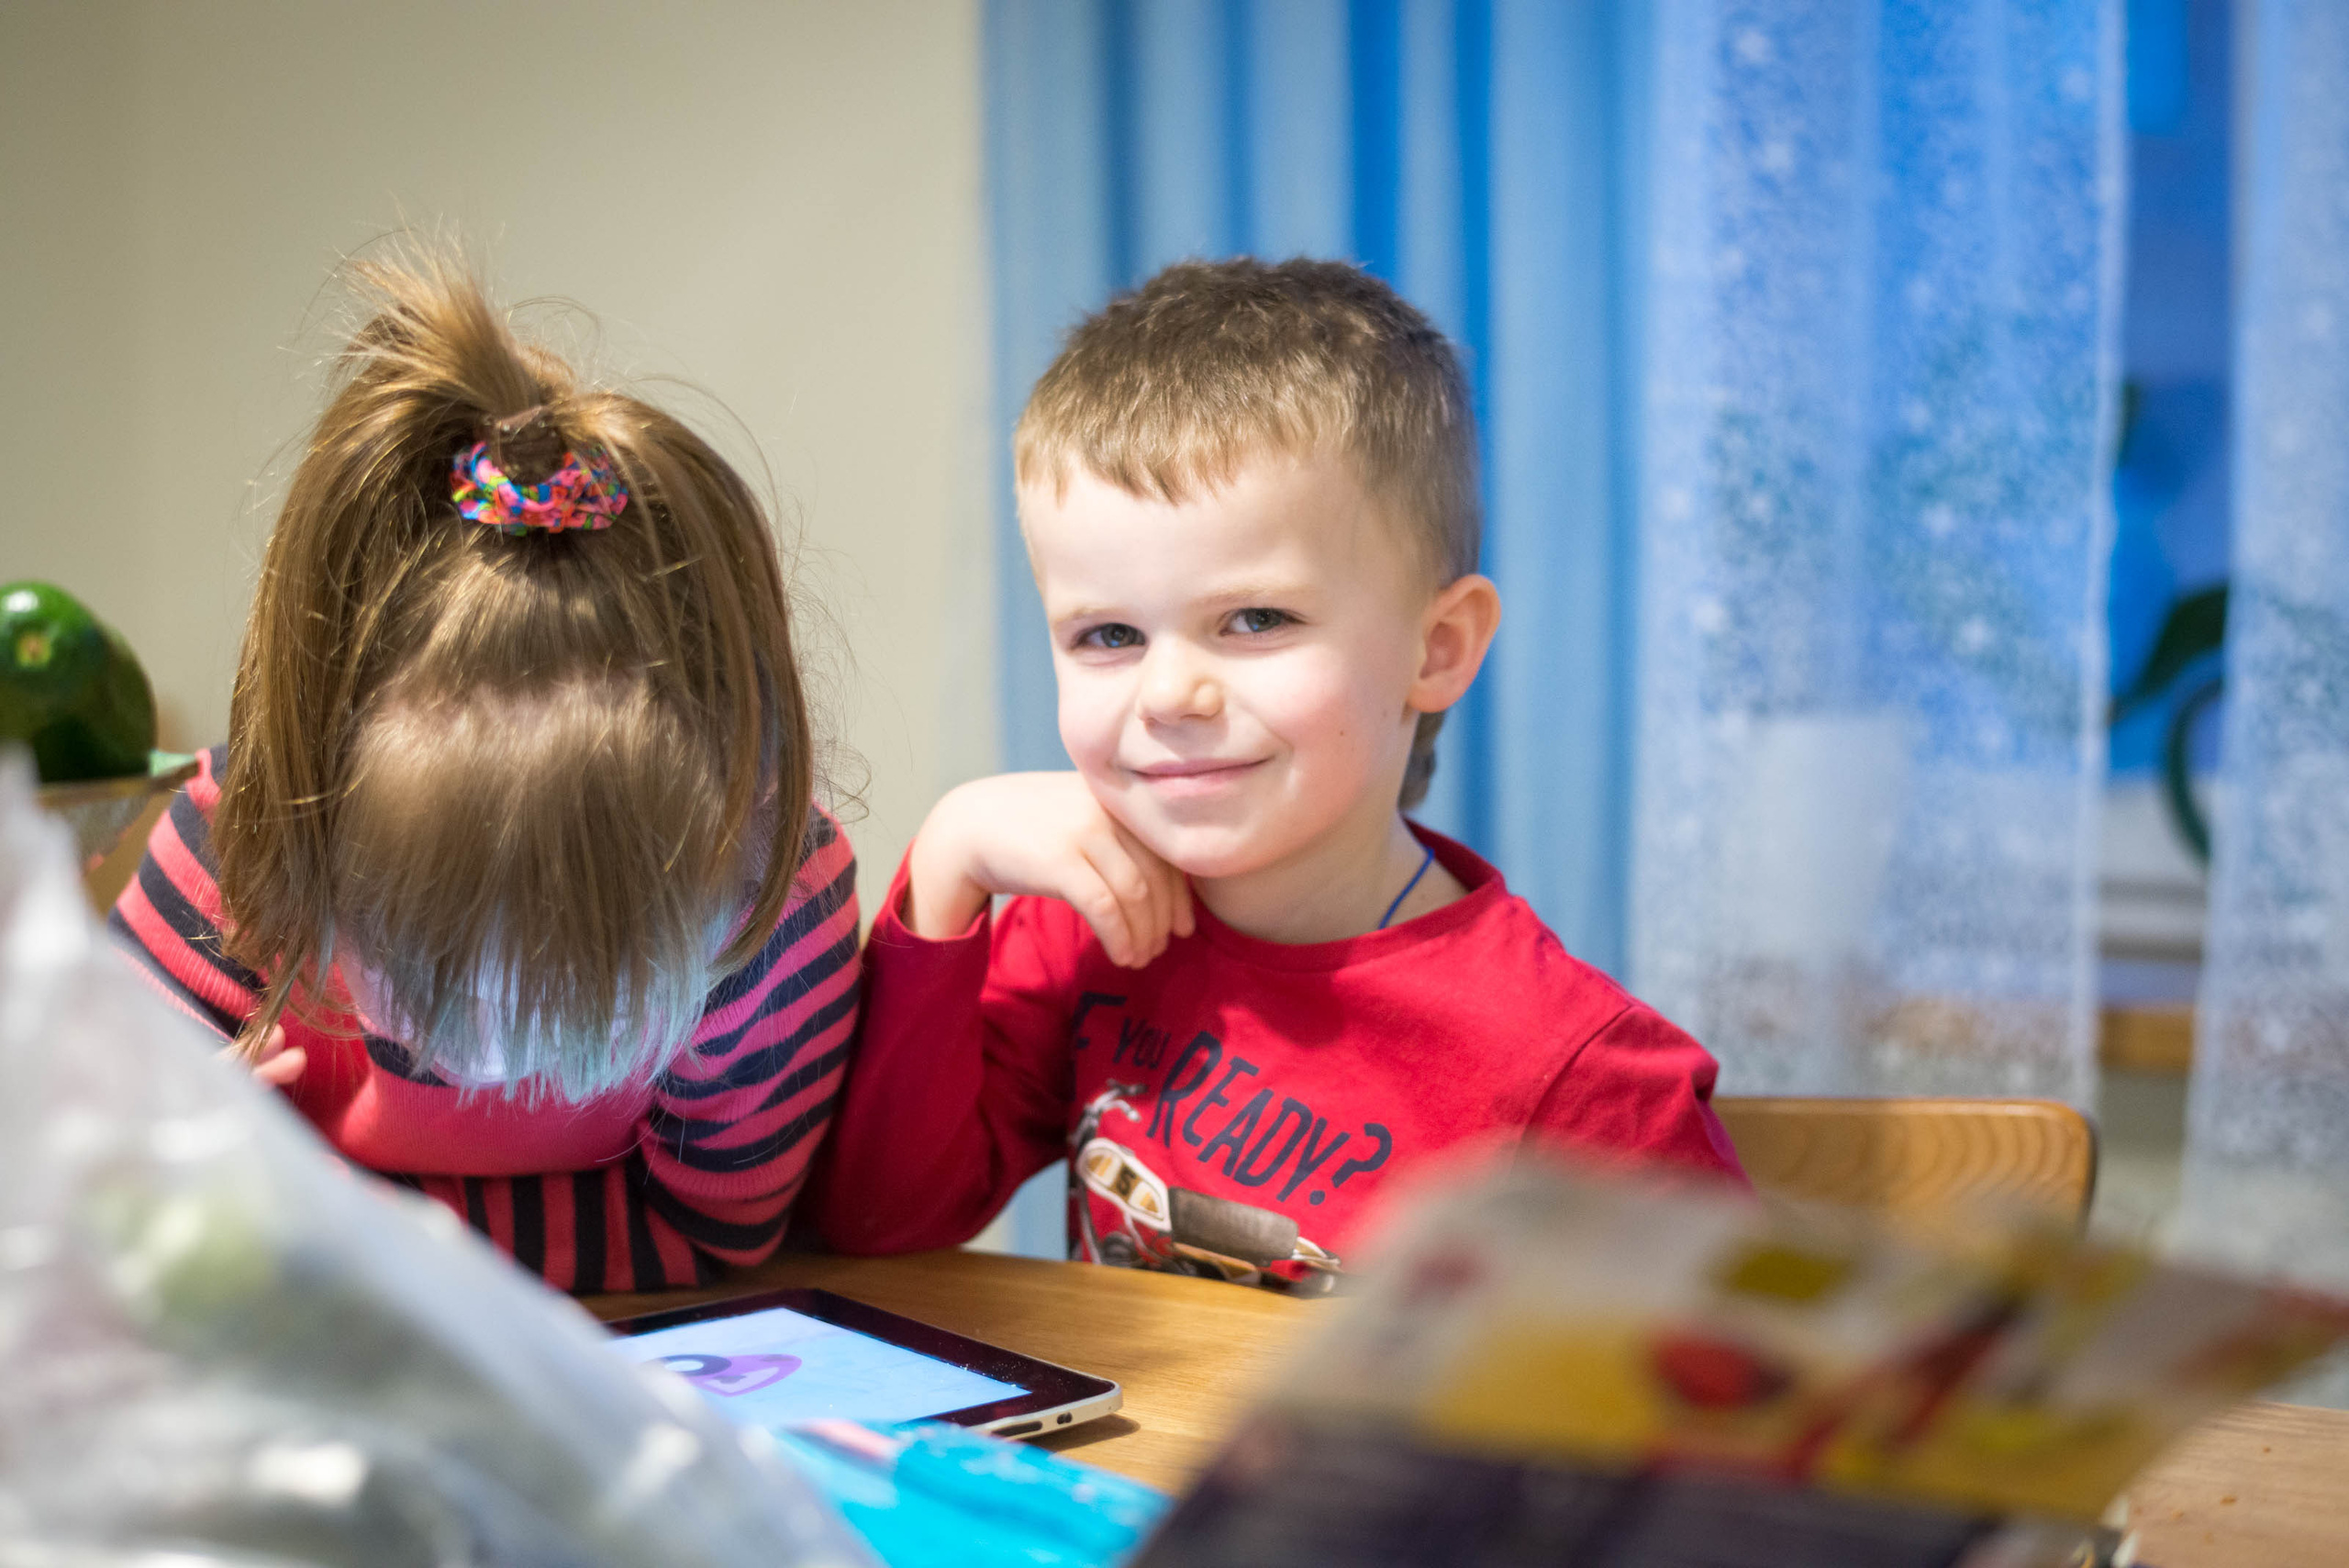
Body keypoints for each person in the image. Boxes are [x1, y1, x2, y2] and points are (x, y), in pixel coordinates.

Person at [813, 258, 1742, 1292]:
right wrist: (948, 862)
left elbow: (1752, 1402)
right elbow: (875, 1220)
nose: (1169, 693)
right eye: (1108, 633)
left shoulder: (1576, 1070)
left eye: (1255, 619)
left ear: (1435, 648)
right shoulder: (1083, 924)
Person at [111, 254, 859, 1294]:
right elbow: (101, 1204)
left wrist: (322, 1214)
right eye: (436, 979)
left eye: (584, 991)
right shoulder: (228, 854)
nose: (493, 1065)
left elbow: (708, 1236)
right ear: (316, 846)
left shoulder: (766, 896)